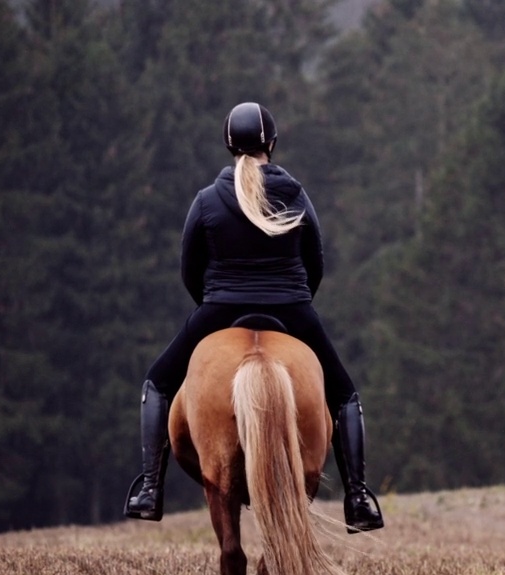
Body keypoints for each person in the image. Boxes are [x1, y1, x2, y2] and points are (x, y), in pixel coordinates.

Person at [124, 102, 384, 533]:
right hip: (292, 309)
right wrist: (297, 303)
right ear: (273, 144)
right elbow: (315, 260)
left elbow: (189, 266)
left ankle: (150, 488)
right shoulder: (297, 195)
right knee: (345, 397)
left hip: (220, 307)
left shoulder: (207, 200)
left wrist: (211, 305)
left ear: (229, 145)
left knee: (157, 382)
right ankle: (357, 497)